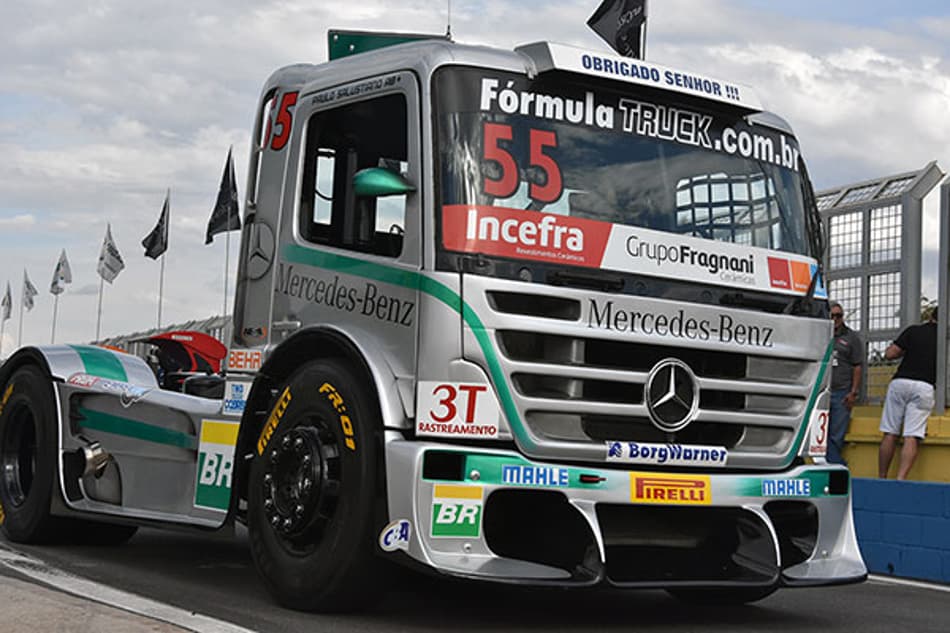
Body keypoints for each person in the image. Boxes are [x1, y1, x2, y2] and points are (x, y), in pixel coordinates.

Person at [878, 307, 938, 479]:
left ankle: (882, 477)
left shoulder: (914, 331)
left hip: (900, 382)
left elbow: (890, 354)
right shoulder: (945, 339)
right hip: (925, 386)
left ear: (930, 317)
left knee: (890, 433)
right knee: (912, 435)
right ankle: (901, 478)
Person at [828, 301, 863, 465]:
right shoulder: (820, 334)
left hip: (841, 392)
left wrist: (853, 392)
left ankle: (837, 467)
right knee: (816, 433)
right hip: (821, 390)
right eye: (832, 315)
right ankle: (835, 465)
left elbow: (857, 366)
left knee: (836, 434)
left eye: (839, 316)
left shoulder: (851, 337)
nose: (836, 319)